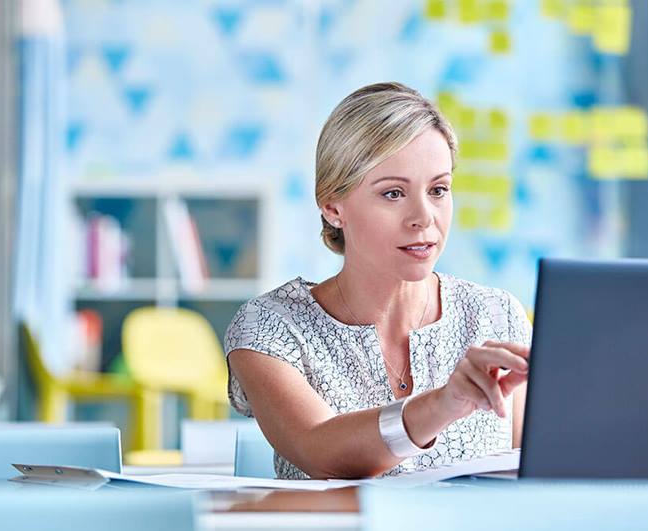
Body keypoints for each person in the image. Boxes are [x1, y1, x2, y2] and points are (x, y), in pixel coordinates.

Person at [224, 82, 532, 480]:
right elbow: (319, 451)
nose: (424, 217)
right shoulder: (270, 327)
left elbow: (535, 479)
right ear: (333, 207)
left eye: (438, 189)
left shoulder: (498, 315)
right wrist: (442, 404)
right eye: (393, 194)